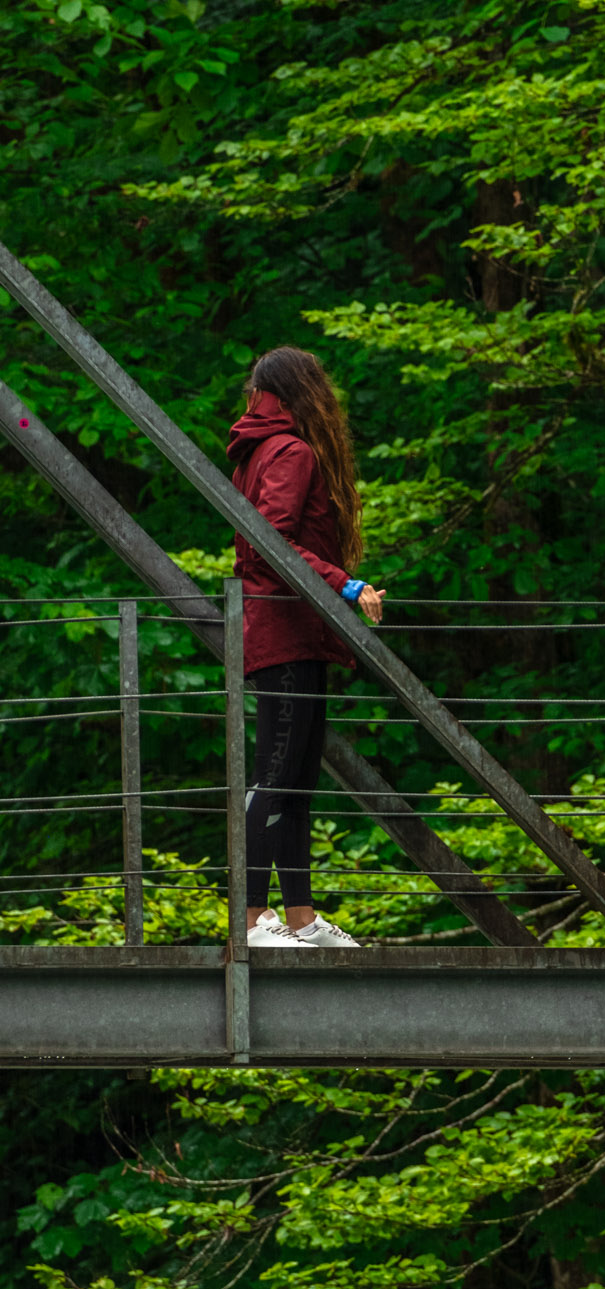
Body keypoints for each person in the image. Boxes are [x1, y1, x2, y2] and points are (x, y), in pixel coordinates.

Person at [227, 346, 386, 948]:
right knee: (275, 776)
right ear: (302, 390)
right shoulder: (289, 450)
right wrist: (345, 584)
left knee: (294, 781)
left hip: (293, 631)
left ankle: (299, 919)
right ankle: (250, 921)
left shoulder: (262, 449)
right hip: (287, 630)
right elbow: (269, 543)